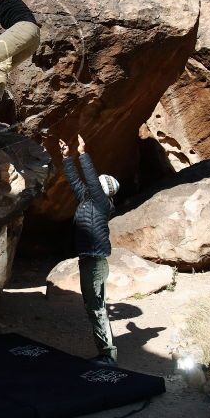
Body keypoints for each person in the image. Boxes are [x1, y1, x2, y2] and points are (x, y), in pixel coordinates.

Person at [57, 134, 121, 366]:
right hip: (88, 259)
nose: (94, 185)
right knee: (92, 306)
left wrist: (83, 154)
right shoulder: (88, 201)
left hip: (95, 260)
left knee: (96, 307)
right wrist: (67, 158)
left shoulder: (103, 204)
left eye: (98, 184)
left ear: (104, 190)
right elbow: (76, 181)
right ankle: (105, 351)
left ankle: (108, 355)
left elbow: (91, 181)